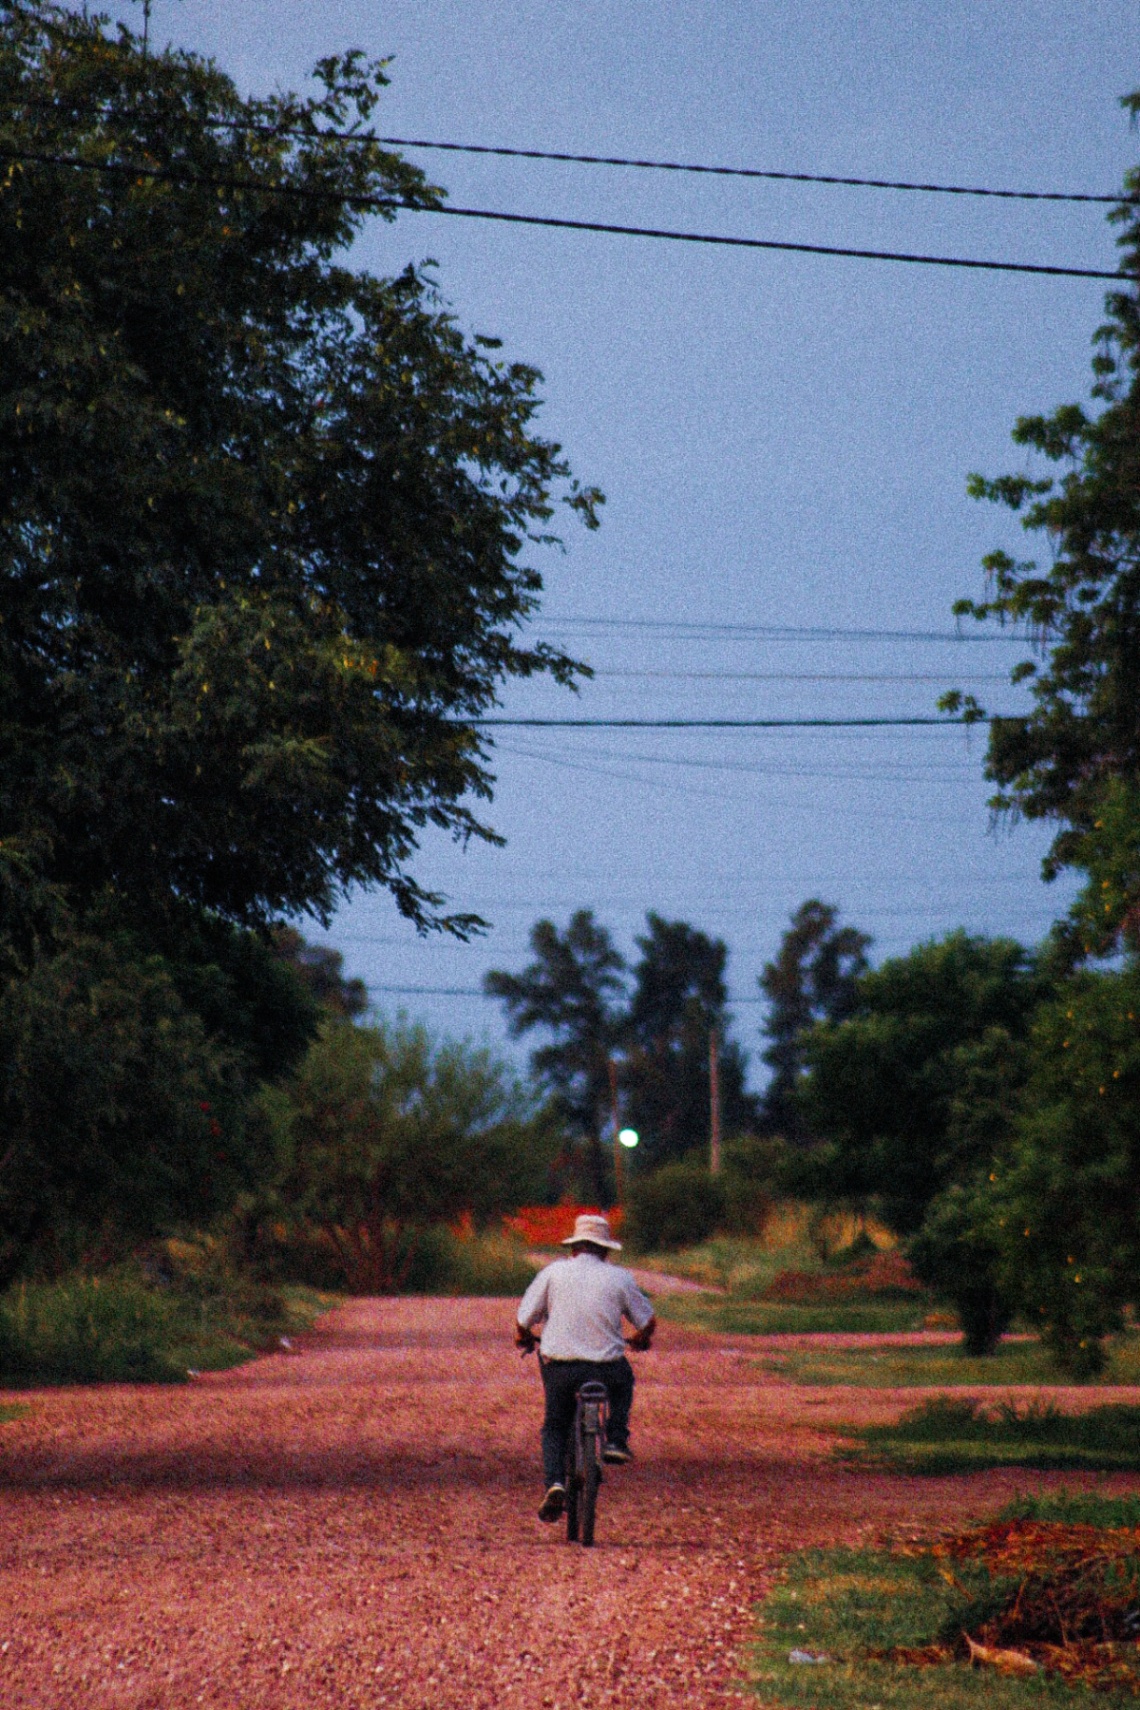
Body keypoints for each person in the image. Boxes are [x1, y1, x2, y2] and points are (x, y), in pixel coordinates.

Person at [515, 1211, 656, 1523]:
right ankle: (617, 1438)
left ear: (574, 1247)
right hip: (606, 1368)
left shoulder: (553, 1273)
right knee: (624, 1379)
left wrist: (523, 1337)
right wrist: (640, 1339)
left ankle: (554, 1483)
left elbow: (524, 1319)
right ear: (605, 1250)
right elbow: (647, 1321)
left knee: (555, 1424)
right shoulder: (620, 1277)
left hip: (561, 1367)